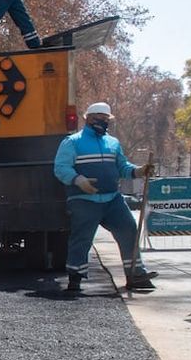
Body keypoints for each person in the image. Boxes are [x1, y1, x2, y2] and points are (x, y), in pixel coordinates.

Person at [54, 102, 157, 293]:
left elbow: (123, 168)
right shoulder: (72, 142)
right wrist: (78, 180)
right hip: (83, 200)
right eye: (98, 118)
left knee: (128, 230)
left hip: (112, 199)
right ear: (87, 119)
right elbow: (61, 168)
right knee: (82, 238)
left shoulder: (112, 143)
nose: (102, 121)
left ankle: (136, 274)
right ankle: (75, 278)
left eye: (105, 119)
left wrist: (140, 171)